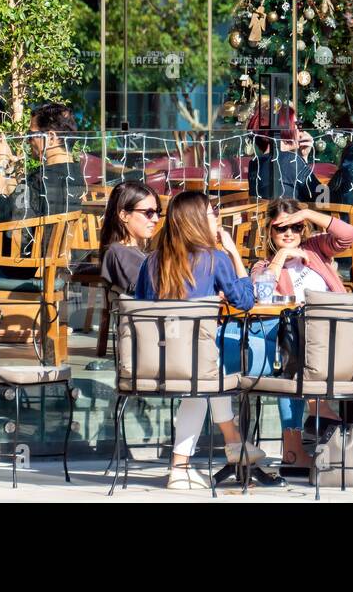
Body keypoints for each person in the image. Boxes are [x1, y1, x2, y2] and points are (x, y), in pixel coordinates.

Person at [132, 191, 256, 489]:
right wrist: (234, 254)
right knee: (204, 377)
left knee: (207, 372)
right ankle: (182, 465)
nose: (217, 218)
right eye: (214, 212)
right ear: (200, 220)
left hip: (152, 363)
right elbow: (246, 301)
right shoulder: (214, 259)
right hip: (193, 367)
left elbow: (141, 309)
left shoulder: (150, 262)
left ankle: (234, 444)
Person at [246, 198, 353, 474]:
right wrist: (281, 257)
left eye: (296, 227)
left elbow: (348, 235)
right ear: (269, 232)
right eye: (281, 228)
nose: (289, 234)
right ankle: (302, 439)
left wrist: (308, 212)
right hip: (298, 342)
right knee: (290, 359)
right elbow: (259, 292)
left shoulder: (316, 249)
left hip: (336, 332)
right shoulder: (263, 266)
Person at [0, 102, 86, 222]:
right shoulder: (76, 175)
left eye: (30, 135)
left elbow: (0, 218)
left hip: (31, 241)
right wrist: (8, 169)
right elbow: (16, 206)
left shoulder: (40, 180)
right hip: (63, 240)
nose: (28, 141)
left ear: (51, 138)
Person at [247, 107, 321, 202]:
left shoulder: (255, 163)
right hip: (292, 216)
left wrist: (303, 157)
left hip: (268, 216)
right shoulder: (289, 160)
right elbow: (321, 199)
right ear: (284, 127)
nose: (300, 131)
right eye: (296, 124)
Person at [97, 181, 158, 294]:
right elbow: (149, 289)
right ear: (124, 215)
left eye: (157, 212)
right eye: (149, 213)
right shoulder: (120, 253)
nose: (156, 219)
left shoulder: (130, 252)